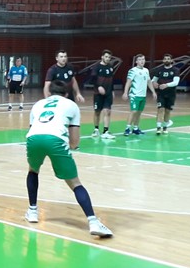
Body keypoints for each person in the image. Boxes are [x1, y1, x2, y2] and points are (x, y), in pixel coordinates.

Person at [24, 80, 113, 237]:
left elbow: (34, 128)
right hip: (56, 140)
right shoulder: (71, 105)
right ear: (66, 93)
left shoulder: (38, 104)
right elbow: (74, 141)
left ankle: (32, 212)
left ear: (49, 93)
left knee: (33, 170)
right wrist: (68, 147)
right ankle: (93, 222)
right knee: (75, 183)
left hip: (33, 138)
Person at [122, 54, 157, 136]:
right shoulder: (132, 70)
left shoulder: (146, 70)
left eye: (143, 59)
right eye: (140, 59)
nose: (142, 61)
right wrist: (125, 92)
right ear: (136, 61)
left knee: (139, 112)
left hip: (143, 95)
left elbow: (149, 81)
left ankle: (136, 128)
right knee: (133, 111)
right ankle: (127, 128)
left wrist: (153, 92)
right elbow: (128, 82)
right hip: (134, 95)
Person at [90, 50, 116, 139]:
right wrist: (99, 87)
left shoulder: (110, 67)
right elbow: (92, 79)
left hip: (108, 94)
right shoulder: (96, 67)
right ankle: (96, 129)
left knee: (107, 111)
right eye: (106, 57)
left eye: (109, 57)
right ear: (102, 57)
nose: (108, 59)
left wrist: (112, 91)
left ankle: (106, 131)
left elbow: (112, 80)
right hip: (98, 94)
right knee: (97, 111)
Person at [151, 54, 180, 135]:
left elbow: (176, 82)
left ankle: (165, 127)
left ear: (171, 60)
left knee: (167, 111)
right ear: (163, 60)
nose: (166, 60)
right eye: (165, 59)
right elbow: (153, 80)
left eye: (168, 59)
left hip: (171, 94)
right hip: (161, 93)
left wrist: (166, 85)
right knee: (160, 109)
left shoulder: (175, 70)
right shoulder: (159, 70)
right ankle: (158, 128)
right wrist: (154, 83)